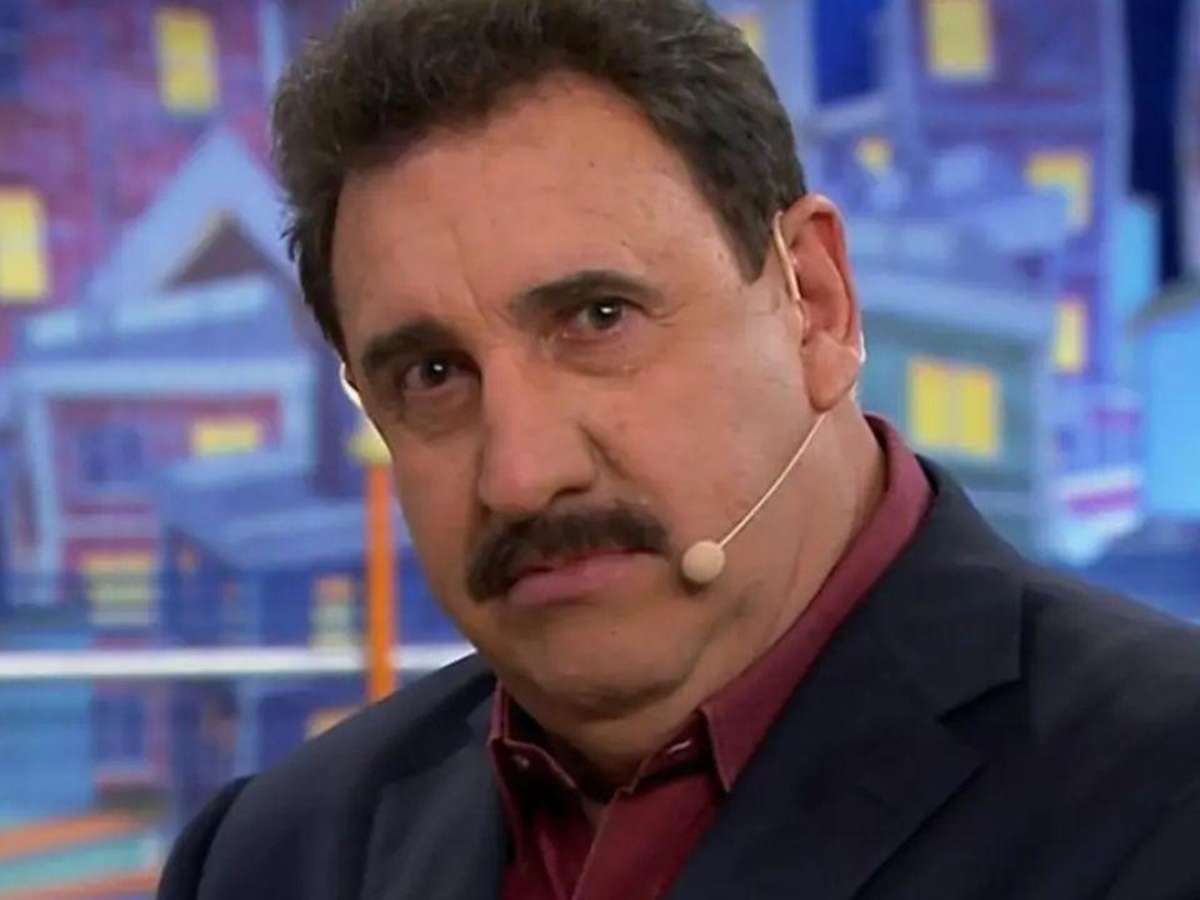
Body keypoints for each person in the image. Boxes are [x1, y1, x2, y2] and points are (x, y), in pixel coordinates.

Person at [158, 1, 1200, 898]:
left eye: (598, 318)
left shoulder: (1165, 793)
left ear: (816, 305)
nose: (522, 475)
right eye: (432, 375)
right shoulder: (272, 857)